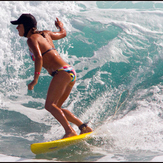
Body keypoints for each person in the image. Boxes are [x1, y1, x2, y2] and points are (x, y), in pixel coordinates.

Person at [10, 13, 93, 139]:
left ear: (26, 26)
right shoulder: (46, 34)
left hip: (61, 72)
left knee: (49, 106)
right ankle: (84, 127)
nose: (17, 28)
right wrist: (60, 27)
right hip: (69, 71)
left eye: (19, 25)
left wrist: (35, 79)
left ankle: (69, 131)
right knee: (57, 107)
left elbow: (38, 57)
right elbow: (63, 34)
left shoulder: (32, 39)